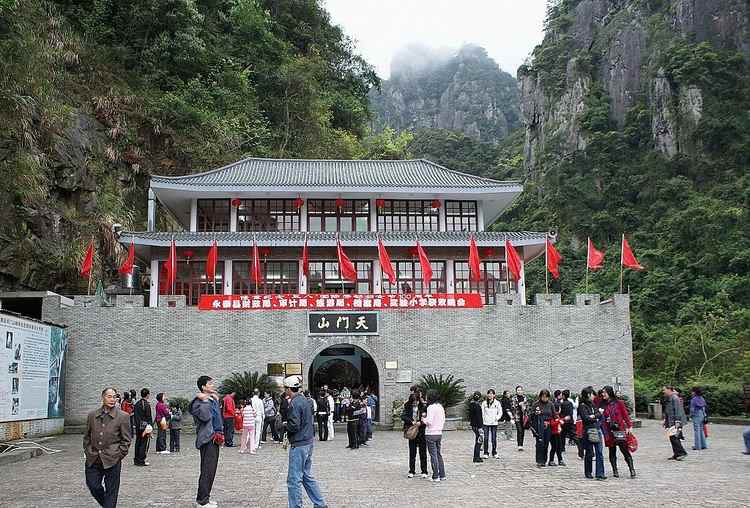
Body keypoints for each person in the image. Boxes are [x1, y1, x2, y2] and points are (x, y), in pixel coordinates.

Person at [83, 387, 132, 507]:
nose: (112, 399)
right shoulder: (92, 415)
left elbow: (126, 440)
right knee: (94, 486)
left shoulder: (123, 416)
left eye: (114, 397)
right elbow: (87, 436)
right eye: (109, 396)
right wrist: (88, 451)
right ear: (103, 398)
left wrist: (118, 455)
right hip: (93, 458)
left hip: (112, 459)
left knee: (112, 492)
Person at [283, 375, 327, 508]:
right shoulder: (305, 400)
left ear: (289, 389)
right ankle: (320, 503)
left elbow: (294, 425)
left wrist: (284, 426)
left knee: (294, 479)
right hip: (308, 442)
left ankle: (296, 506)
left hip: (299, 443)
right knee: (306, 476)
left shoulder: (294, 403)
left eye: (285, 388)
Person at [190, 375, 223, 508]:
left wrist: (214, 400)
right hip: (207, 439)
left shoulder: (211, 399)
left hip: (215, 438)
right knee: (207, 469)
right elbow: (205, 416)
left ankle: (206, 497)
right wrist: (204, 401)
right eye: (209, 384)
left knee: (211, 469)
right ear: (203, 387)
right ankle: (202, 501)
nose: (212, 386)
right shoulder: (199, 401)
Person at [601, 385, 636, 478]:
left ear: (609, 393)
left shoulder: (619, 403)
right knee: (612, 451)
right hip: (608, 430)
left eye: (604, 392)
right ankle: (615, 470)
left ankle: (632, 469)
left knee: (624, 450)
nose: (603, 394)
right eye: (602, 392)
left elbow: (625, 415)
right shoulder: (603, 404)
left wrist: (629, 426)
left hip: (619, 429)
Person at [578, 386, 606, 480]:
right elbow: (586, 418)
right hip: (588, 430)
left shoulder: (593, 404)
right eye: (592, 394)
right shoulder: (582, 406)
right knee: (589, 452)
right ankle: (588, 471)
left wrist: (593, 416)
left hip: (597, 428)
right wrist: (594, 416)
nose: (594, 396)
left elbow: (599, 414)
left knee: (599, 452)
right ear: (588, 395)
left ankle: (600, 473)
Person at [402, 392, 429, 476]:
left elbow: (427, 418)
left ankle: (424, 471)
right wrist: (411, 421)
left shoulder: (423, 407)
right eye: (413, 402)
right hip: (412, 431)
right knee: (412, 452)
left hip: (421, 431)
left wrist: (421, 422)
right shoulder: (407, 406)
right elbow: (403, 416)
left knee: (423, 452)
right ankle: (412, 470)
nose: (415, 403)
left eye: (416, 401)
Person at [422, 389, 446, 482]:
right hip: (439, 432)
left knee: (433, 455)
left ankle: (435, 476)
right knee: (438, 454)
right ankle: (442, 474)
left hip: (431, 433)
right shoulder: (440, 407)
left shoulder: (431, 407)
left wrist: (423, 418)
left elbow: (429, 422)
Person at [663, 385, 688, 461]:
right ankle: (676, 453)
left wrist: (677, 421)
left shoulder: (675, 398)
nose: (663, 391)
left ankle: (682, 452)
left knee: (674, 437)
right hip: (670, 421)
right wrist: (665, 420)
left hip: (675, 421)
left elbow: (678, 410)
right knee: (672, 437)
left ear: (669, 390)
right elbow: (668, 411)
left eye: (664, 390)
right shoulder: (670, 398)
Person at [531, 389, 554, 467]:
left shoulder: (550, 404)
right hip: (538, 426)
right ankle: (539, 460)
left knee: (546, 444)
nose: (544, 398)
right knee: (539, 443)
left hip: (548, 426)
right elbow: (531, 415)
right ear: (540, 396)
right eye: (543, 396)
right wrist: (536, 413)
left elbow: (553, 415)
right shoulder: (536, 404)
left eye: (546, 397)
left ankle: (544, 460)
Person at [132, 388, 152, 466]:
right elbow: (149, 417)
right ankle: (141, 460)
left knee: (138, 442)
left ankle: (136, 459)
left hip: (137, 426)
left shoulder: (137, 404)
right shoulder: (146, 404)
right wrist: (150, 427)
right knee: (144, 443)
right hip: (144, 427)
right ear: (147, 395)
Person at [481, 389, 501, 459]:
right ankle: (486, 452)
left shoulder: (497, 403)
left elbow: (500, 412)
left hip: (494, 423)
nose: (490, 395)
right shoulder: (484, 403)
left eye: (492, 394)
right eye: (489, 393)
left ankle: (494, 452)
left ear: (494, 395)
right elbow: (482, 413)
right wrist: (483, 421)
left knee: (493, 438)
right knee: (486, 438)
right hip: (486, 423)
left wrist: (496, 418)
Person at [511, 385, 528, 451]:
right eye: (518, 390)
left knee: (523, 431)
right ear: (516, 391)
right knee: (519, 430)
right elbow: (512, 406)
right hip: (517, 416)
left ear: (522, 391)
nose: (519, 391)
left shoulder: (525, 397)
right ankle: (519, 446)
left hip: (523, 417)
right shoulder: (514, 398)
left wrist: (524, 406)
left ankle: (521, 444)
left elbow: (527, 406)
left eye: (520, 390)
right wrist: (518, 404)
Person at [468, 391, 484, 463]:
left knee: (478, 440)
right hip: (478, 426)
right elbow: (478, 417)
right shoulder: (476, 405)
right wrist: (480, 427)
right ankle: (476, 457)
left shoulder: (471, 404)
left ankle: (476, 456)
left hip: (473, 425)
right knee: (479, 441)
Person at [559, 389, 574, 458]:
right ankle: (581, 449)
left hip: (564, 421)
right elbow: (571, 413)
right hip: (570, 421)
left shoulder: (562, 404)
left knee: (562, 435)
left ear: (564, 396)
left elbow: (561, 413)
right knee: (573, 435)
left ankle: (562, 448)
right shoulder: (570, 403)